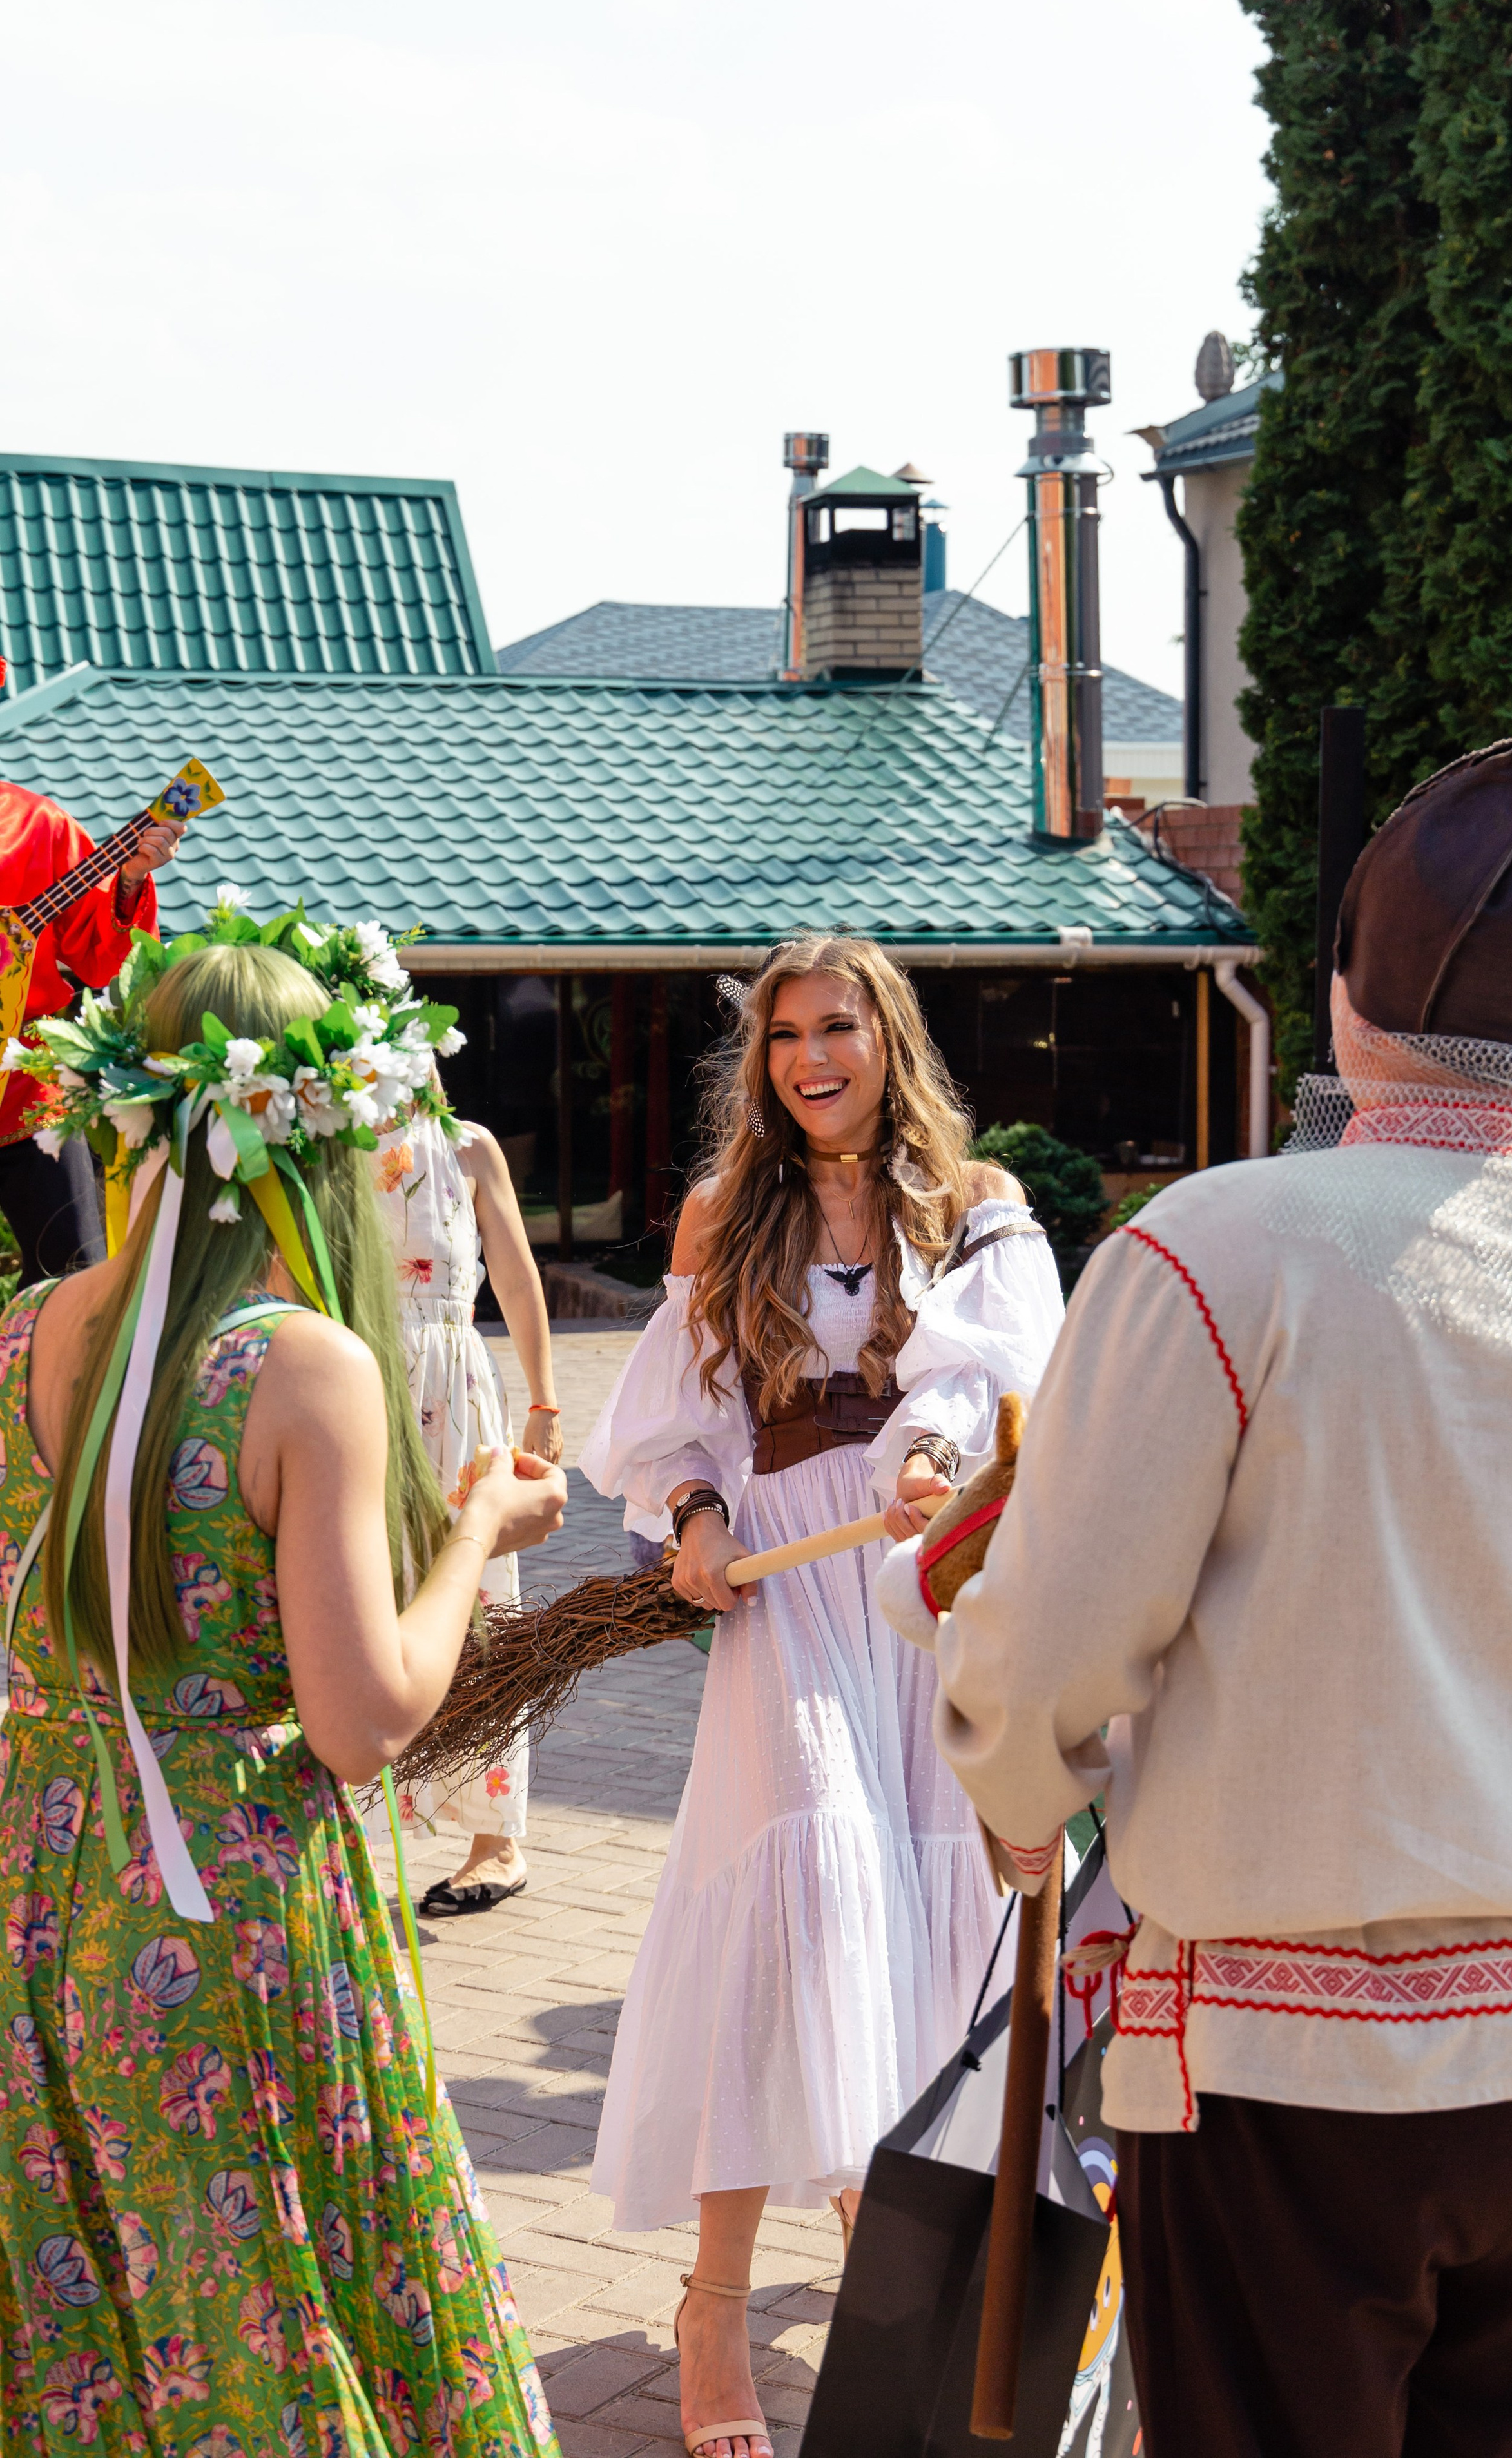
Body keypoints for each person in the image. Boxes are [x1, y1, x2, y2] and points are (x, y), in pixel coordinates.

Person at [909, 728, 1512, 2454]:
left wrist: (1020, 1796)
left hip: (1292, 2072)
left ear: (1349, 993)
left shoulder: (1221, 1247)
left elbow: (1056, 1652)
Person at [0, 933, 568, 2452]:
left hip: (44, 1883)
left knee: (97, 2285)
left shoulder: (19, 1329)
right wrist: (473, 1537)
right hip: (227, 1894)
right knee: (264, 2274)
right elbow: (364, 1720)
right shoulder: (302, 1367)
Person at [580, 933, 1065, 2458]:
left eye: (835, 1025)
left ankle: (886, 2231)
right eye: (783, 1033)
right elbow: (678, 1422)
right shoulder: (726, 1212)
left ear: (886, 1035)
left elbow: (1000, 1374)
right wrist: (697, 1522)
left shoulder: (975, 1206)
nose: (809, 1057)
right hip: (787, 1595)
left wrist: (932, 1454)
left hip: (915, 1587)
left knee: (920, 1918)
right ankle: (712, 2297)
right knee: (805, 1874)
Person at [375, 1105, 564, 1914]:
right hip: (355, 1382)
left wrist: (546, 1398)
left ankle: (498, 1841)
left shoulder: (469, 1146)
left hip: (452, 1392)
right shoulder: (313, 1138)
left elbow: (516, 1274)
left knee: (482, 1603)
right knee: (357, 1597)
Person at [0, 774, 183, 1281]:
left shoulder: (39, 825)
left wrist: (128, 881)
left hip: (26, 1078)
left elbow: (103, 964)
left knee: (74, 1271)